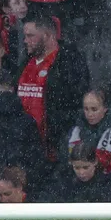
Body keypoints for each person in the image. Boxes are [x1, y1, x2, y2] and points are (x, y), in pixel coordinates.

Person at [16, 10, 90, 154]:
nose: (25, 41)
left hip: (55, 146)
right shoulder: (26, 63)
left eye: (30, 36)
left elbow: (76, 100)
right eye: (25, 36)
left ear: (47, 36)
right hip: (26, 146)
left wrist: (60, 134)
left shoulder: (69, 62)